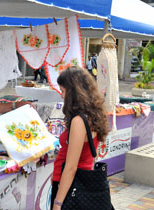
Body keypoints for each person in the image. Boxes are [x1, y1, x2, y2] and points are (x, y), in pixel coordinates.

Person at [50, 67, 109, 210]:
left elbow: (71, 167)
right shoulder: (92, 116)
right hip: (79, 183)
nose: (62, 96)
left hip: (71, 187)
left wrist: (58, 203)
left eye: (63, 91)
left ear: (73, 92)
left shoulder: (79, 121)